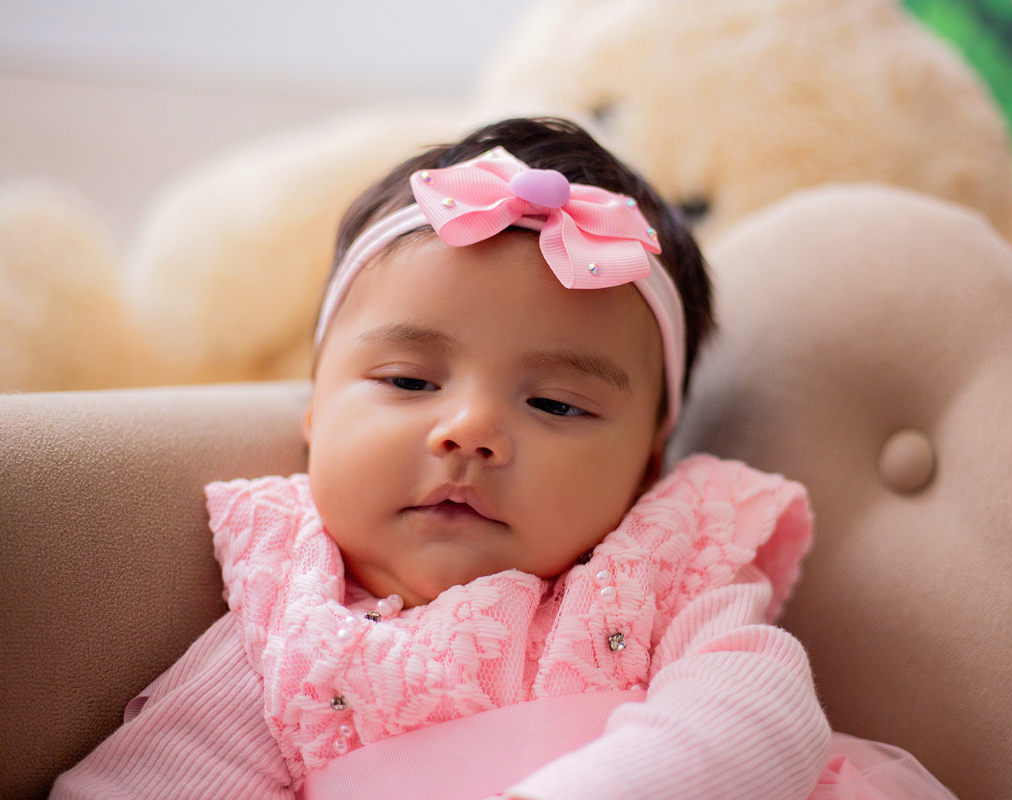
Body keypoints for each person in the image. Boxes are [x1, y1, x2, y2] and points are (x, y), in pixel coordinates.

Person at [52, 118, 956, 800]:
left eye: (558, 403)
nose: (470, 431)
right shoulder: (284, 627)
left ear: (648, 462)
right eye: (408, 381)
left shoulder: (663, 575)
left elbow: (759, 720)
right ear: (316, 408)